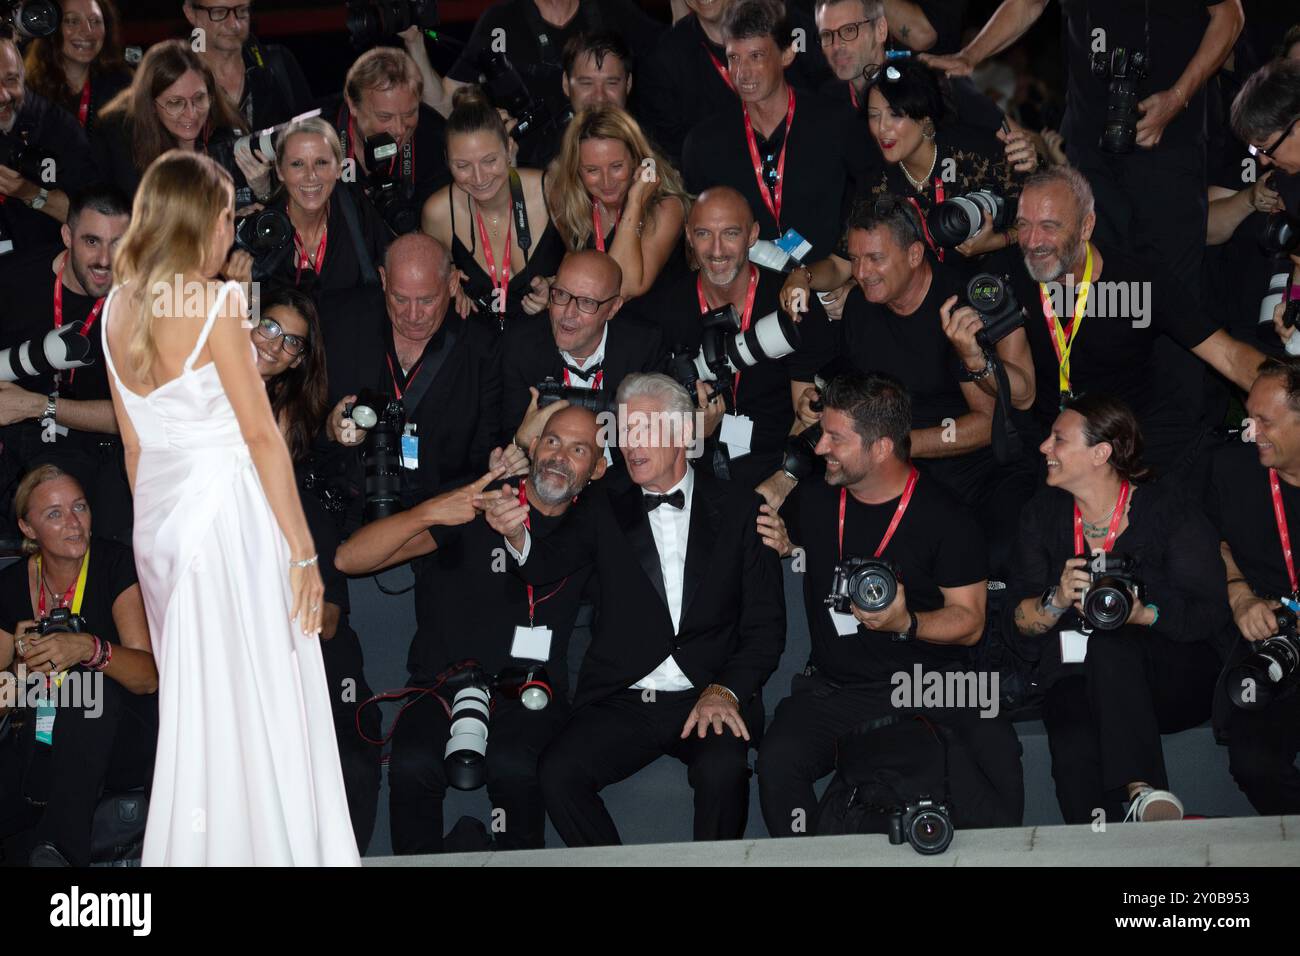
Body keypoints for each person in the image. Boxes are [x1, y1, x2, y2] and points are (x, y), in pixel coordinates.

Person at [100, 150, 358, 865]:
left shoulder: (115, 308)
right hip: (234, 526)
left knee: (205, 715)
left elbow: (133, 451)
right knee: (266, 699)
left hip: (166, 531)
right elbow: (262, 438)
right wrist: (304, 555)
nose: (231, 232)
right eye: (225, 218)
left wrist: (154, 553)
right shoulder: (216, 303)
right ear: (200, 222)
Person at [484, 372, 786, 846]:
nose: (631, 443)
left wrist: (726, 692)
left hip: (709, 689)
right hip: (625, 696)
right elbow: (546, 562)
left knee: (723, 769)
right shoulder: (604, 503)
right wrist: (517, 535)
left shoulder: (741, 508)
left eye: (646, 429)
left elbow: (766, 628)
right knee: (559, 773)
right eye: (626, 430)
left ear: (685, 434)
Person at [754, 371, 1024, 836]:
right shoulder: (816, 499)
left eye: (835, 439)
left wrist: (907, 621)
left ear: (880, 447)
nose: (821, 449)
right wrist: (786, 544)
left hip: (929, 683)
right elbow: (757, 516)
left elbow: (971, 623)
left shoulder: (948, 518)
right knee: (778, 761)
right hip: (837, 689)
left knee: (996, 743)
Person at [337, 408, 604, 853]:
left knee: (515, 765)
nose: (559, 457)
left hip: (532, 691)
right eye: (552, 441)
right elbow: (350, 560)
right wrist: (429, 511)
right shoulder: (476, 504)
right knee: (412, 763)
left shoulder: (594, 527)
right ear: (533, 447)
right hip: (441, 684)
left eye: (579, 450)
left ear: (597, 468)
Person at [923, 1, 1245, 319]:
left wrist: (1178, 97)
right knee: (1094, 293)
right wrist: (970, 56)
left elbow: (1229, 14)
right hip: (1089, 148)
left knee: (1172, 295)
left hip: (1166, 141)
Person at [785, 198, 1037, 578]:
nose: (861, 272)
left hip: (983, 471)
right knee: (809, 510)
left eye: (875, 259)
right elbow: (863, 391)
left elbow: (987, 424)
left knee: (990, 556)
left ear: (915, 253)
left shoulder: (959, 306)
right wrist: (825, 402)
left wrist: (896, 446)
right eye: (854, 259)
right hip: (902, 468)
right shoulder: (860, 309)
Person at [1008, 394, 1229, 824]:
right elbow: (1016, 625)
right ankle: (1099, 841)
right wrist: (1054, 601)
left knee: (1113, 645)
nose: (1043, 448)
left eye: (1058, 440)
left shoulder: (1166, 508)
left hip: (1171, 677)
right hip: (1075, 676)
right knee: (1071, 739)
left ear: (1101, 453)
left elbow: (1211, 612)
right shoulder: (1041, 515)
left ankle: (1142, 790)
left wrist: (1147, 614)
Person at [1007, 166, 1265, 475]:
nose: (1033, 241)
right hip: (1055, 439)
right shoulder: (1010, 279)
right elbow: (1022, 396)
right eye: (1024, 224)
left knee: (1213, 481)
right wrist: (976, 363)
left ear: (1086, 226)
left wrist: (1289, 399)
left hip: (1135, 431)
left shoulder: (1139, 280)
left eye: (1049, 226)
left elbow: (1229, 355)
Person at [250, 283, 381, 851]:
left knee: (354, 743)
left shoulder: (308, 465)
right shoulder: (200, 405)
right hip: (242, 637)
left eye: (294, 344)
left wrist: (331, 432)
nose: (278, 347)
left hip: (307, 639)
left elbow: (326, 619)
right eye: (270, 329)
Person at [626, 186, 837, 490]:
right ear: (687, 235)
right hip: (690, 466)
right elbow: (643, 428)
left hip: (777, 463)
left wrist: (783, 481)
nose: (716, 250)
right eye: (703, 234)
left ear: (752, 235)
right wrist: (695, 434)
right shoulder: (663, 309)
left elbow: (808, 413)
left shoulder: (791, 303)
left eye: (730, 234)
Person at [0, 466, 156, 867]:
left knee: (91, 690)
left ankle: (61, 851)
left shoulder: (114, 563)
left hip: (113, 736)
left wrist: (88, 648)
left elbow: (148, 677)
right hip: (35, 739)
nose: (73, 522)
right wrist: (20, 667)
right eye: (54, 514)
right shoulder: (11, 584)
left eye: (79, 507)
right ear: (27, 527)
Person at [318, 233, 503, 527]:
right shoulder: (341, 321)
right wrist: (329, 429)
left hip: (439, 524)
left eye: (427, 300)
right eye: (399, 298)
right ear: (383, 279)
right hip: (343, 508)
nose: (413, 315)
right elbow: (296, 424)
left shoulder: (483, 349)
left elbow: (488, 452)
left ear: (453, 284)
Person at [681, 0, 875, 264]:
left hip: (832, 283)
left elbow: (870, 201)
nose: (742, 72)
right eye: (733, 58)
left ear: (787, 55)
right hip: (750, 293)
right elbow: (696, 240)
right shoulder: (704, 144)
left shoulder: (838, 122)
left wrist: (848, 271)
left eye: (756, 56)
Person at [0, 184, 134, 546]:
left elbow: (133, 416)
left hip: (101, 454)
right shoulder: (14, 279)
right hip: (13, 447)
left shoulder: (148, 301)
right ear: (67, 236)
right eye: (92, 242)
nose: (105, 260)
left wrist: (38, 405)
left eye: (118, 243)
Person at [1205, 359, 1300, 815]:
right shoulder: (1232, 469)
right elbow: (1209, 542)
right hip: (1271, 644)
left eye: (1265, 421)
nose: (1250, 430)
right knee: (1253, 761)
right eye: (1249, 415)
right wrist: (1239, 592)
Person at [501, 249, 663, 488]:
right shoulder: (520, 345)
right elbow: (496, 438)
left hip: (620, 485)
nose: (568, 313)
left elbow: (656, 439)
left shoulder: (643, 346)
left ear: (614, 308)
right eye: (561, 295)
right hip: (547, 483)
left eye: (587, 302)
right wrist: (520, 441)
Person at [420, 86, 564, 333]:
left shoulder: (550, 192)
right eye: (463, 165)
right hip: (479, 347)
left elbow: (594, 264)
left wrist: (557, 287)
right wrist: (449, 290)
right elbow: (429, 289)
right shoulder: (438, 213)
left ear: (509, 150)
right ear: (447, 161)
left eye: (489, 161)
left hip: (547, 341)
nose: (478, 178)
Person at [640, 0, 832, 162]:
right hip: (723, 190)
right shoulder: (664, 60)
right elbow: (673, 157)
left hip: (809, 166)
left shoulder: (787, 24)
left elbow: (831, 91)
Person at [442, 0, 663, 126]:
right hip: (532, 161)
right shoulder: (500, 19)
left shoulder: (613, 9)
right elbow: (449, 97)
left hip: (608, 155)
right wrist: (489, 126)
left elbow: (676, 54)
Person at [547, 105, 689, 298]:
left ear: (636, 158)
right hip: (600, 326)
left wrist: (635, 202)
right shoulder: (574, 205)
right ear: (577, 171)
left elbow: (623, 289)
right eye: (592, 170)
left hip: (658, 324)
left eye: (616, 166)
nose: (607, 182)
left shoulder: (667, 207)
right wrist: (552, 292)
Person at [814, 0, 1015, 135]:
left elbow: (1019, 140)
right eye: (826, 35)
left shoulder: (935, 85)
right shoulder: (824, 107)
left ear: (881, 30)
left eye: (849, 30)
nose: (837, 45)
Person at [91, 39, 247, 203]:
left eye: (199, 98)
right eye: (176, 103)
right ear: (151, 105)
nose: (191, 113)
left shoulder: (224, 128)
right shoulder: (121, 137)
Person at [249, 116, 391, 293]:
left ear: (339, 167)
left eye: (321, 162)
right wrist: (244, 293)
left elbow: (390, 288)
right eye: (297, 164)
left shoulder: (359, 215)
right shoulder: (261, 233)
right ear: (279, 171)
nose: (311, 175)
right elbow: (251, 316)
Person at [326, 46, 450, 235]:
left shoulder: (433, 136)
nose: (400, 129)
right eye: (385, 117)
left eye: (410, 113)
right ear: (353, 104)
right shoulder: (315, 137)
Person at [0, 34, 94, 262]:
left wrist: (31, 193)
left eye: (11, 80)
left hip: (40, 277)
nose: (3, 95)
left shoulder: (58, 128)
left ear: (24, 78)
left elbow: (93, 221)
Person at [181, 0, 313, 130]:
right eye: (219, 12)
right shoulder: (175, 76)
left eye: (242, 10)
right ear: (191, 13)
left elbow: (312, 133)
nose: (234, 24)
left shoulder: (277, 65)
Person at [21, 0, 132, 135]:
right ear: (51, 27)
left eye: (95, 21)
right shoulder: (26, 92)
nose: (87, 31)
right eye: (72, 21)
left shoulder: (125, 89)